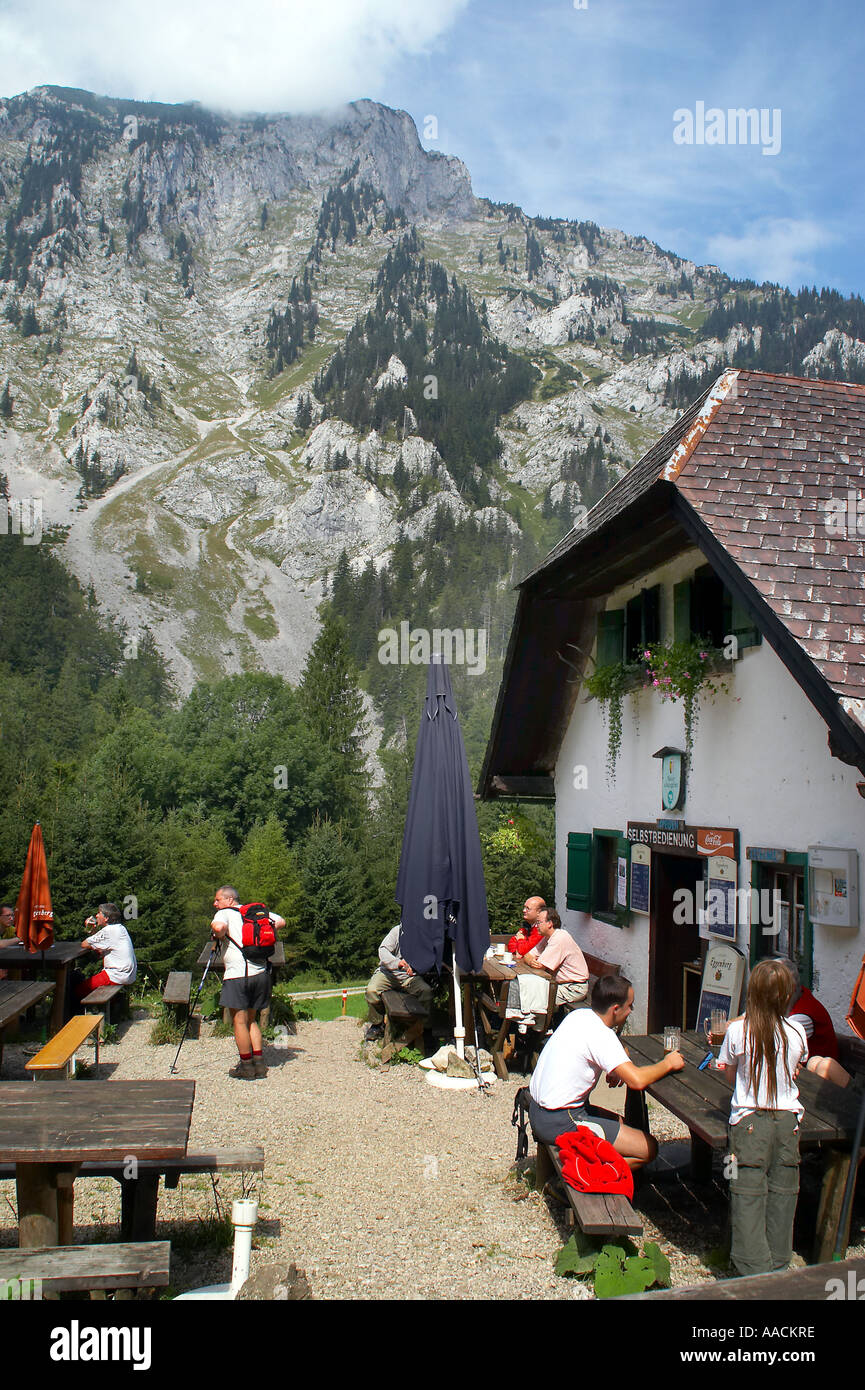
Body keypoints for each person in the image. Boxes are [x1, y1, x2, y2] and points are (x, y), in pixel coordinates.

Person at [528, 973, 684, 1170]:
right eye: (630, 1006)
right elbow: (636, 1080)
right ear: (616, 1009)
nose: (631, 1011)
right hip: (561, 1120)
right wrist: (668, 1063)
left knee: (627, 1126)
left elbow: (609, 1047)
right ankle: (584, 1174)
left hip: (539, 1109)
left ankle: (598, 1166)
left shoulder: (580, 1015)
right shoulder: (602, 1035)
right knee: (648, 1148)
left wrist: (618, 1062)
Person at [717, 958, 807, 1277]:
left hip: (749, 1120)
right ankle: (779, 1262)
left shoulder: (738, 1030)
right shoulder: (796, 1030)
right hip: (787, 1121)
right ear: (786, 995)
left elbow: (728, 1074)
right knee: (784, 1192)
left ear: (751, 993)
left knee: (746, 1191)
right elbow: (796, 1066)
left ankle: (751, 1268)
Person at [211, 886, 285, 1081]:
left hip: (238, 975)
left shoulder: (224, 913)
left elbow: (218, 928)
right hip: (260, 973)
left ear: (229, 900)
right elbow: (280, 921)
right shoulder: (253, 913)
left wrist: (219, 934)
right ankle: (259, 1064)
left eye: (217, 900)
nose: (215, 904)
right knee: (251, 1019)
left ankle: (246, 1066)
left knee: (239, 1021)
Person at [777, 956, 851, 1088]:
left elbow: (776, 1044)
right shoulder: (795, 997)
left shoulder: (802, 1016)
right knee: (815, 1062)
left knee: (823, 1065)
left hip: (820, 1086)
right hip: (808, 1078)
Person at [364, 924, 432, 1042]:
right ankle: (377, 1024)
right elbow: (383, 950)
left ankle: (424, 1029)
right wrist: (397, 963)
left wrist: (417, 968)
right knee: (372, 991)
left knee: (426, 992)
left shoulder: (422, 934)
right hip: (388, 974)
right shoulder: (397, 931)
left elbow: (428, 957)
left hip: (408, 978)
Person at [522, 908, 589, 1007]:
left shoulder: (559, 938)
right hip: (563, 985)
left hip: (573, 988)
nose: (536, 926)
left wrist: (532, 962)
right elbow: (527, 955)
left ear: (549, 923)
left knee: (534, 996)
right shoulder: (548, 937)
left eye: (539, 922)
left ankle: (534, 1022)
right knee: (528, 990)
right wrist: (531, 961)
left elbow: (540, 966)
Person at [77, 903, 137, 997]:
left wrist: (89, 928)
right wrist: (93, 931)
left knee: (79, 989)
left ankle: (73, 1011)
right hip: (127, 975)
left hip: (117, 975)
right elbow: (101, 949)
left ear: (106, 918)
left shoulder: (109, 931)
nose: (96, 915)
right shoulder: (120, 928)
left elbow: (84, 944)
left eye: (99, 913)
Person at [0, 904, 16, 980]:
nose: (11, 918)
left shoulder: (9, 929)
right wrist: (19, 939)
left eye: (13, 915)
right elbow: (0, 944)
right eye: (8, 916)